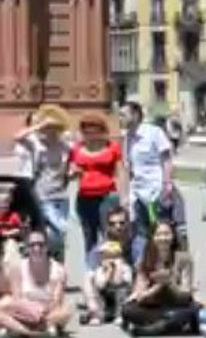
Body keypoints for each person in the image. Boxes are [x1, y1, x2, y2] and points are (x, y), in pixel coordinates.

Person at [121, 100, 183, 262]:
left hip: (157, 191)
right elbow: (127, 168)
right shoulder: (127, 138)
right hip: (138, 193)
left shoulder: (154, 132)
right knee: (140, 232)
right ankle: (142, 266)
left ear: (135, 115)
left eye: (124, 115)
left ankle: (166, 265)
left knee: (162, 232)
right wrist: (125, 195)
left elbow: (166, 159)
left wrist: (167, 184)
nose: (120, 118)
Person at [120, 220, 199, 337]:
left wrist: (170, 283)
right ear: (152, 237)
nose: (163, 238)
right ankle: (164, 326)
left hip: (176, 305)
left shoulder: (184, 258)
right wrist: (158, 286)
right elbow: (140, 296)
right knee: (127, 310)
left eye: (167, 234)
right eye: (158, 234)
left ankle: (150, 330)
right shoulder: (144, 259)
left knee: (191, 310)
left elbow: (185, 294)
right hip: (154, 306)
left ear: (173, 236)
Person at [68, 112, 125, 265]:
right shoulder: (76, 149)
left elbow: (121, 172)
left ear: (102, 131)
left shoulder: (112, 147)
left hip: (108, 196)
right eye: (86, 132)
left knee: (110, 234)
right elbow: (69, 172)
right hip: (85, 198)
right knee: (89, 236)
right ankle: (92, 269)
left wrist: (124, 196)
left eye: (94, 131)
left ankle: (114, 268)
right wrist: (72, 173)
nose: (91, 135)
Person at [16, 106, 72, 260]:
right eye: (48, 127)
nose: (51, 130)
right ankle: (39, 260)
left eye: (54, 127)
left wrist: (72, 173)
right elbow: (18, 137)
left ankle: (56, 264)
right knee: (59, 230)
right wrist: (39, 125)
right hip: (42, 194)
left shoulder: (65, 146)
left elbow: (72, 163)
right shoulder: (36, 144)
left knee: (57, 235)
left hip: (61, 195)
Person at [0, 228, 73, 337]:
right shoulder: (18, 268)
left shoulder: (58, 270)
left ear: (47, 247)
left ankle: (16, 328)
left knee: (68, 309)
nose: (36, 248)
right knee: (5, 303)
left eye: (41, 245)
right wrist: (30, 310)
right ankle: (33, 332)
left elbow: (56, 301)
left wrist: (42, 311)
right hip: (23, 311)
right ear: (27, 248)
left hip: (47, 313)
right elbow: (17, 299)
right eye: (32, 245)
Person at [83, 240, 132, 325]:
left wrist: (118, 269)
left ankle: (120, 315)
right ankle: (97, 315)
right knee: (95, 288)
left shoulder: (125, 269)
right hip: (105, 300)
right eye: (105, 257)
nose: (108, 260)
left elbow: (118, 282)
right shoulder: (100, 270)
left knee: (122, 290)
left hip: (119, 299)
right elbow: (100, 285)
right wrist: (108, 273)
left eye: (112, 257)